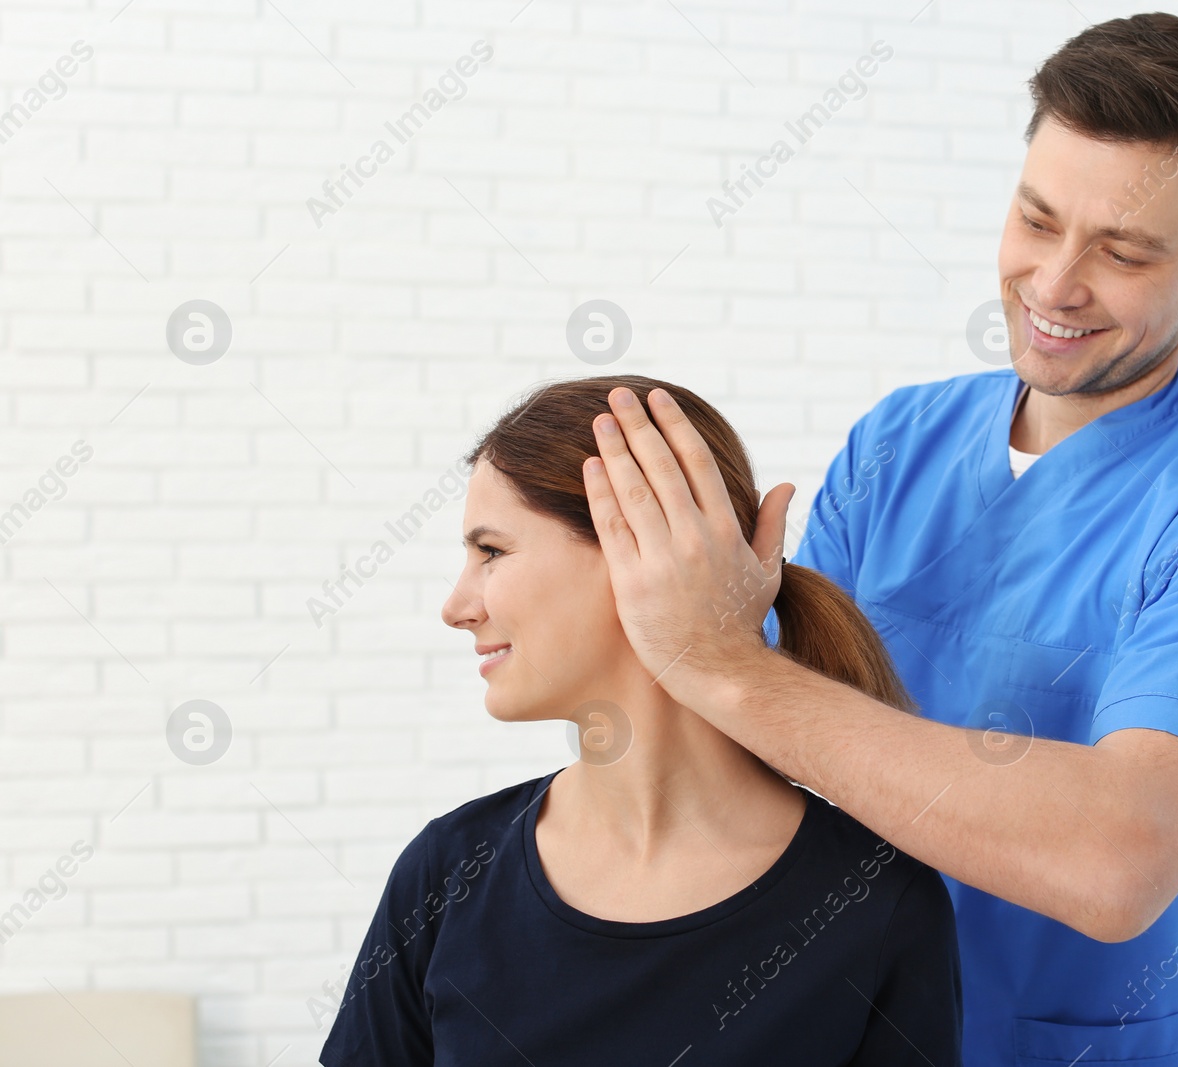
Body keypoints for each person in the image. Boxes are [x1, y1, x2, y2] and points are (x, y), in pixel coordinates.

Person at [577, 13, 1178, 1067]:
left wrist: (729, 668)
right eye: (1036, 220)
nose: (1054, 284)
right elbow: (768, 760)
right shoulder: (899, 443)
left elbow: (1117, 858)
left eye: (1122, 250)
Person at [319, 376, 963, 1067]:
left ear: (638, 550)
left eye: (491, 552)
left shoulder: (876, 903)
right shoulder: (444, 876)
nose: (456, 604)